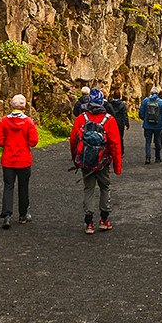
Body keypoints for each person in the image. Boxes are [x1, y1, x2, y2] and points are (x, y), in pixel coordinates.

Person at [70, 89, 122, 234]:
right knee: (105, 187)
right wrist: (117, 166)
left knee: (89, 189)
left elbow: (73, 140)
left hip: (86, 161)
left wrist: (76, 160)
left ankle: (89, 223)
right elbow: (115, 145)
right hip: (103, 162)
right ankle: (104, 220)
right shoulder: (109, 120)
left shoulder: (81, 118)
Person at [0, 94, 39, 228]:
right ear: (24, 107)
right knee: (23, 186)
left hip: (8, 159)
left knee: (8, 186)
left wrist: (6, 143)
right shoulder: (28, 122)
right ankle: (23, 215)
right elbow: (33, 141)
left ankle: (7, 215)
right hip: (24, 159)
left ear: (11, 106)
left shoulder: (3, 121)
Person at [138, 87, 162, 163]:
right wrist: (161, 121)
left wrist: (145, 119)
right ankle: (158, 157)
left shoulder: (145, 101)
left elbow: (141, 113)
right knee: (157, 141)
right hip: (158, 125)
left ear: (151, 92)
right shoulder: (161, 102)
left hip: (147, 125)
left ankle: (148, 157)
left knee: (148, 142)